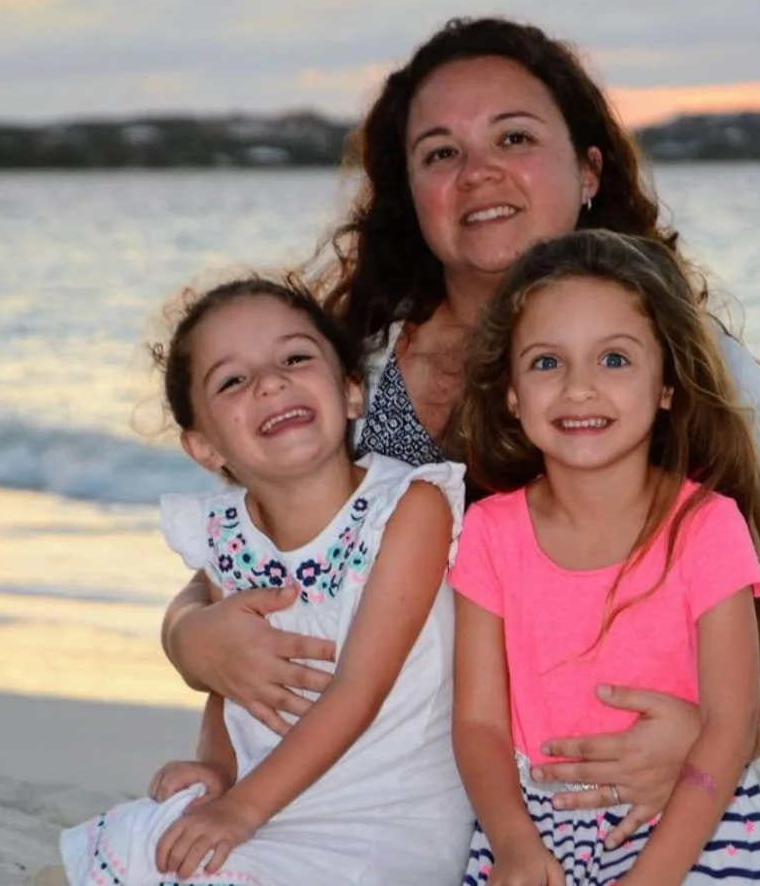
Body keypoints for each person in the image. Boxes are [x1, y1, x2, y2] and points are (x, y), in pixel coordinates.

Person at [161, 16, 760, 850]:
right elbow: (266, 551)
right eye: (440, 153)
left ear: (589, 170)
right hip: (378, 813)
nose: (478, 172)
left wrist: (711, 744)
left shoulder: (692, 370)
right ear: (409, 194)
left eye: (514, 137)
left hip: (640, 823)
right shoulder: (357, 372)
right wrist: (189, 635)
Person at [60, 276, 473, 884]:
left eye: (295, 358)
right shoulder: (226, 536)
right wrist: (218, 775)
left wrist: (239, 811)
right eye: (232, 380)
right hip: (266, 806)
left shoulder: (408, 509)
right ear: (204, 448)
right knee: (146, 842)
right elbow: (230, 687)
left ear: (352, 390)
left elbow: (359, 690)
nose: (271, 381)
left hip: (385, 821)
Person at [449, 229, 760, 885]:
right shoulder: (490, 532)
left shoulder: (706, 527)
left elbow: (729, 725)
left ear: (666, 384)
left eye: (614, 360)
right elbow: (479, 722)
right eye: (548, 363)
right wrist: (515, 843)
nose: (579, 388)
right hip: (529, 824)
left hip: (691, 821)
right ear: (511, 395)